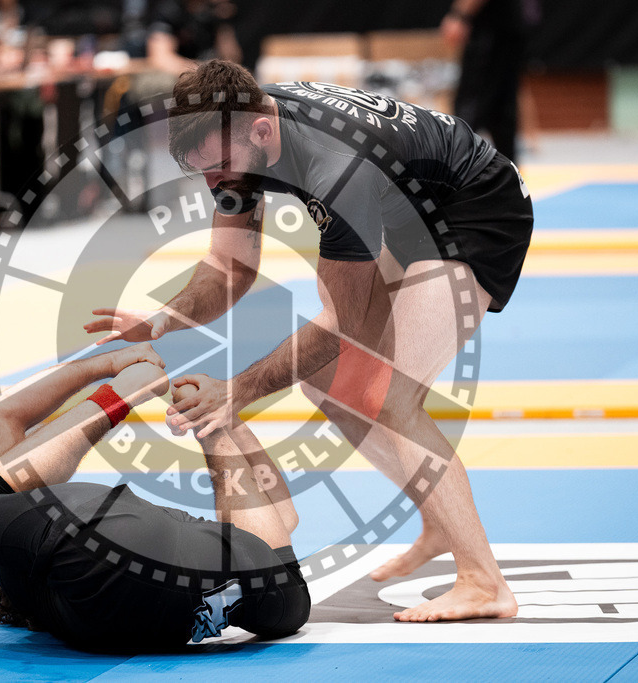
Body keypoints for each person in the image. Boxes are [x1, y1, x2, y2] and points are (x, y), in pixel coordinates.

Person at [85, 59, 532, 622]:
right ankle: (441, 521)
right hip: (409, 207)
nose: (214, 186)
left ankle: (485, 582)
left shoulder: (337, 170)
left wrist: (239, 390)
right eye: (201, 172)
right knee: (325, 382)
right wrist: (163, 320)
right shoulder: (238, 131)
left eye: (219, 169)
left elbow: (346, 324)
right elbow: (229, 268)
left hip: (476, 208)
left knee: (394, 398)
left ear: (262, 131)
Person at [0, 343, 310, 648]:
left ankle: (183, 416)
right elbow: (0, 413)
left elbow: (282, 518)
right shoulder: (16, 561)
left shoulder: (18, 574)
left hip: (135, 577)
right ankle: (165, 408)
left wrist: (222, 419)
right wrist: (220, 412)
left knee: (288, 590)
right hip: (111, 545)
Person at [441, 0, 528, 162]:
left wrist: (460, 16)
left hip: (490, 31)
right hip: (507, 27)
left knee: (471, 106)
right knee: (501, 110)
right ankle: (508, 173)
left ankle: (455, 168)